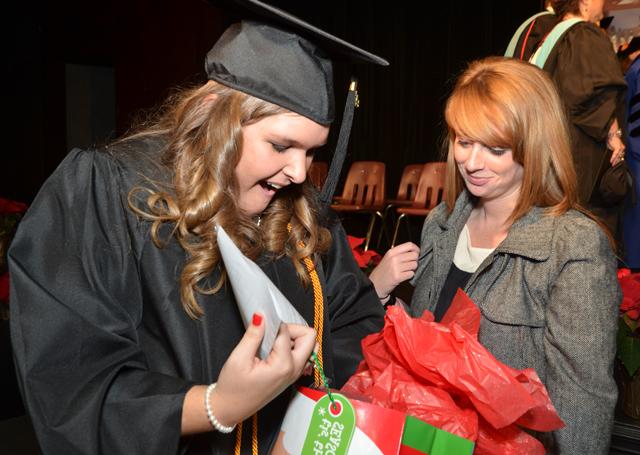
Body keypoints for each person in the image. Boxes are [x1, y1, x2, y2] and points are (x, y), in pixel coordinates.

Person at [8, 1, 388, 453]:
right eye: (281, 145)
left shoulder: (300, 215)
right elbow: (72, 381)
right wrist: (219, 405)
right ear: (215, 116)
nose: (300, 173)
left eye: (311, 152)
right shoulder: (106, 195)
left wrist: (311, 415)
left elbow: (357, 322)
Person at [409, 57, 620, 453]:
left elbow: (582, 403)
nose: (472, 163)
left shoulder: (572, 246)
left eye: (495, 148)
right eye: (464, 141)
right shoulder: (441, 222)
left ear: (533, 146)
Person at [509, 0, 627, 238]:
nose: (604, 4)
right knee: (581, 230)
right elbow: (594, 95)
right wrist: (614, 134)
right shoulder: (584, 34)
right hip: (579, 155)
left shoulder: (547, 39)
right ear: (584, 2)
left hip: (548, 151)